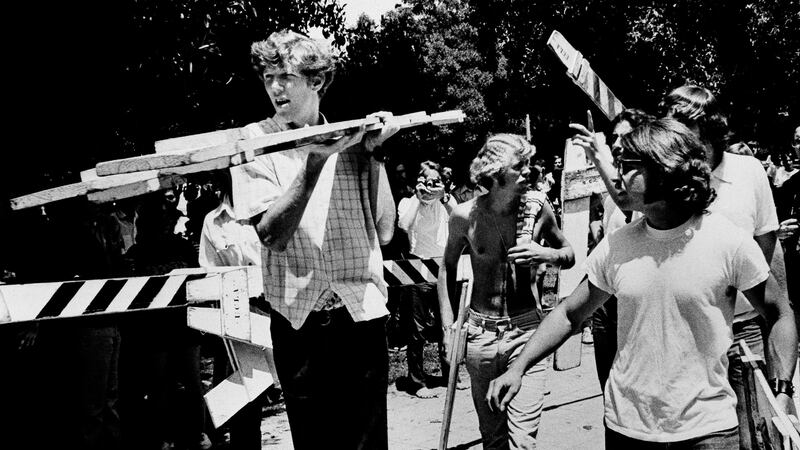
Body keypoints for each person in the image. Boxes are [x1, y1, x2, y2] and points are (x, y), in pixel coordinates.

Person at [488, 119, 798, 447]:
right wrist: (518, 367)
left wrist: (782, 391)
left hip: (708, 433)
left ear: (664, 172)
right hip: (628, 429)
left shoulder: (729, 242)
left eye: (626, 165)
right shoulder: (617, 245)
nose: (617, 174)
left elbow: (779, 314)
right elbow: (569, 315)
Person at [229, 30, 398, 449]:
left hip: (361, 316)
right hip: (300, 323)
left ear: (317, 81)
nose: (274, 87)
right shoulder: (254, 142)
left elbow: (387, 230)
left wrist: (374, 154)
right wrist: (315, 162)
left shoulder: (354, 138)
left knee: (368, 444)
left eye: (285, 76)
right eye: (268, 77)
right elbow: (272, 235)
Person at [662, 85, 792, 449]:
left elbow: (769, 257)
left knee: (757, 435)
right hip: (684, 336)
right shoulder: (670, 178)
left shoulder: (749, 173)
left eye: (683, 129)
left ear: (708, 131)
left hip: (744, 332)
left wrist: (780, 365)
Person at [438, 133, 575, 449]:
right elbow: (445, 270)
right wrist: (449, 329)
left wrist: (547, 255)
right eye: (520, 166)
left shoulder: (538, 207)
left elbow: (568, 254)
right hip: (480, 339)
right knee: (494, 440)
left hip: (526, 333)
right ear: (497, 172)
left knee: (522, 442)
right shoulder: (464, 215)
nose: (530, 171)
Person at [570, 108, 655, 393]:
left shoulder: (646, 184)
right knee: (607, 387)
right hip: (606, 298)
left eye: (625, 137)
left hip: (636, 295)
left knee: (637, 384)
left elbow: (625, 201)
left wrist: (598, 155)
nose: (618, 145)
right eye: (614, 138)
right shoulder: (610, 180)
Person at [394, 160, 459, 398]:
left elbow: (461, 219)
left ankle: (451, 375)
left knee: (448, 326)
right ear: (417, 182)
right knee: (416, 330)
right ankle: (417, 381)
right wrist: (419, 198)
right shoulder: (407, 203)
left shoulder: (446, 201)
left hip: (443, 268)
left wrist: (443, 196)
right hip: (417, 268)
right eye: (426, 181)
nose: (430, 186)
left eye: (435, 182)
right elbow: (403, 224)